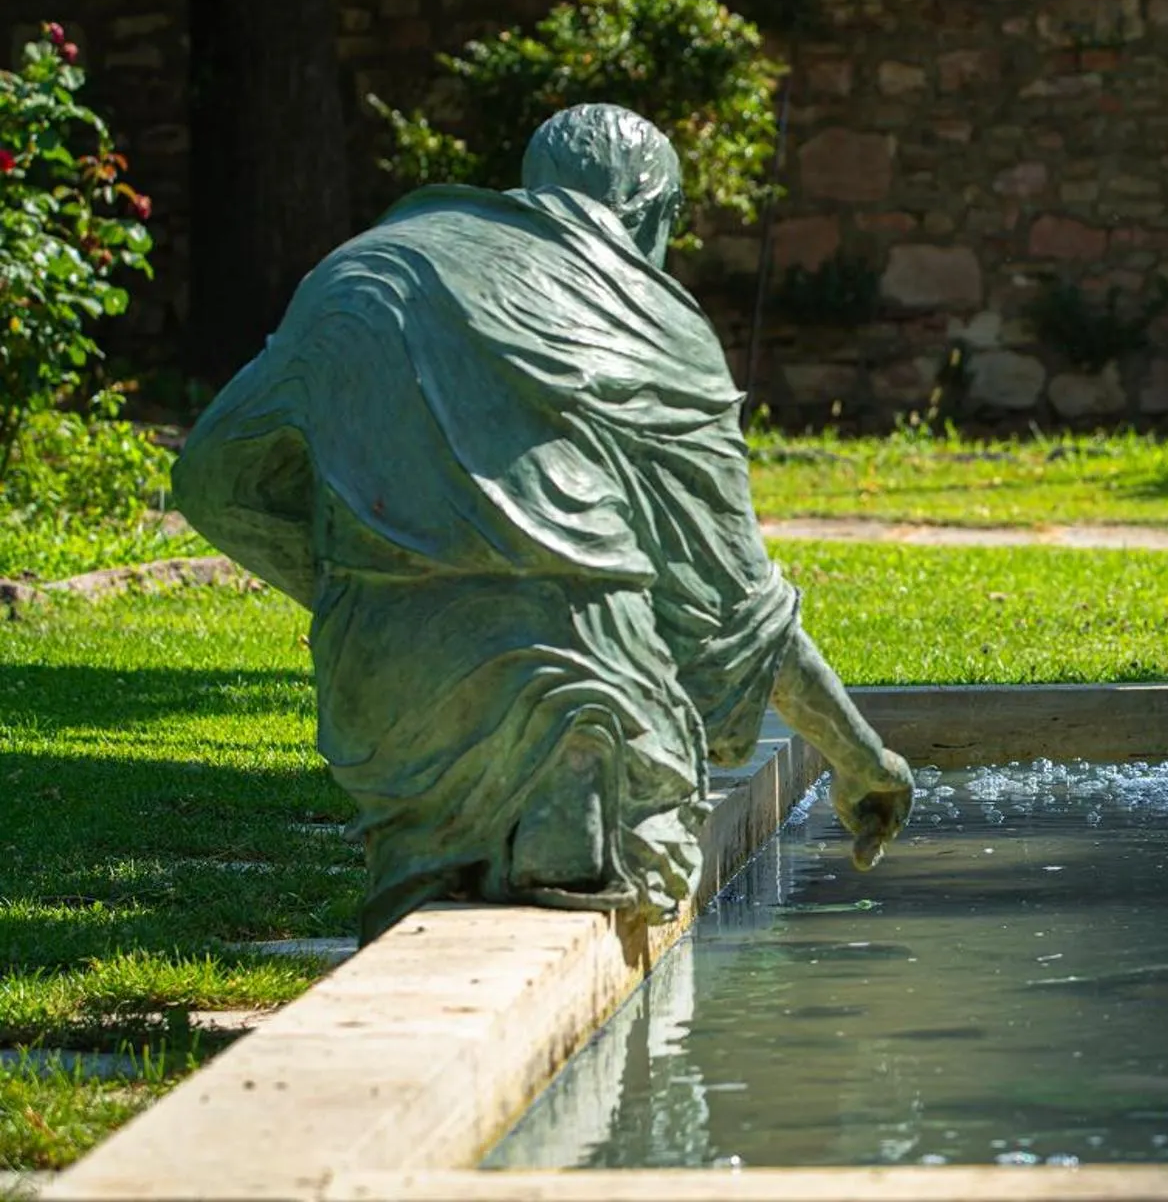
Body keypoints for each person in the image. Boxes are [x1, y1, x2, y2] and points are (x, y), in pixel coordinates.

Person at [174, 104, 913, 940]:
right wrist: (863, 759)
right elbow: (738, 611)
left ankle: (458, 838)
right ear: (651, 210)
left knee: (426, 867)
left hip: (385, 692)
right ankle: (577, 809)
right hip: (583, 682)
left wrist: (382, 573)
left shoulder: (369, 269)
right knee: (609, 713)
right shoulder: (652, 319)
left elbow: (212, 481)